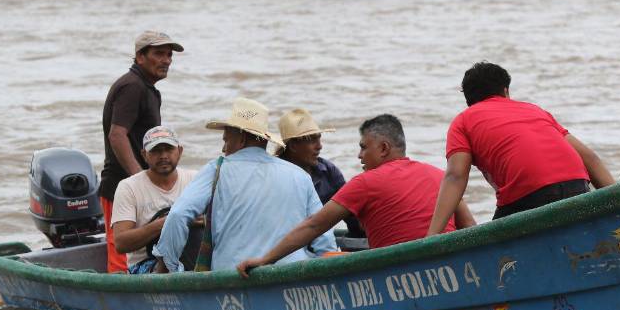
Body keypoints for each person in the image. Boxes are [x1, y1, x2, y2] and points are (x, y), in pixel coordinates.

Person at [236, 114, 475, 276]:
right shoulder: (440, 176)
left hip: (399, 273)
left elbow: (313, 226)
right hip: (446, 267)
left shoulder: (365, 182)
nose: (359, 156)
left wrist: (265, 260)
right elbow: (470, 228)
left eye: (363, 147)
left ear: (383, 148)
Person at [426, 61, 615, 236]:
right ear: (506, 91)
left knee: (495, 253)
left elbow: (455, 176)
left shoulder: (463, 121)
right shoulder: (534, 110)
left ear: (468, 100)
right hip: (578, 187)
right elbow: (590, 158)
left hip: (528, 195)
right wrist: (618, 201)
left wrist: (431, 237)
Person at [153, 98, 337, 272]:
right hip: (291, 274)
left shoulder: (217, 169)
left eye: (226, 140)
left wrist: (171, 266)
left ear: (241, 139)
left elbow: (177, 216)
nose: (224, 148)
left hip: (234, 277)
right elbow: (323, 237)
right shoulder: (299, 175)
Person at [99, 30, 184, 273]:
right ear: (140, 57)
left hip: (133, 185)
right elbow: (117, 135)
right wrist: (141, 181)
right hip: (120, 186)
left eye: (169, 55)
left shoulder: (146, 88)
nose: (166, 60)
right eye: (159, 53)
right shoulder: (132, 86)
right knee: (121, 261)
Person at [110, 126, 197, 274]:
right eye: (156, 150)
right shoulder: (128, 187)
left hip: (194, 255)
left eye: (168, 149)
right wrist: (167, 223)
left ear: (180, 151)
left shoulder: (195, 180)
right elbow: (120, 243)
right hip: (146, 263)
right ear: (144, 155)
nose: (163, 155)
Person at [276, 108, 362, 236]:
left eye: (319, 139)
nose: (320, 146)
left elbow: (352, 216)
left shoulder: (328, 171)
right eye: (312, 140)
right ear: (293, 146)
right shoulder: (274, 175)